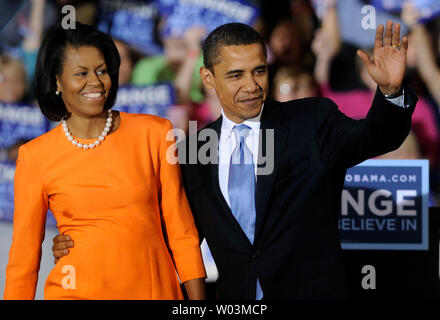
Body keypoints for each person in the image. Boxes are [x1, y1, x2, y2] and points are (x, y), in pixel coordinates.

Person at [53, 21, 417, 299]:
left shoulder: (311, 120)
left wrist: (390, 94)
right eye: (236, 75)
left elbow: (374, 138)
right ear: (208, 79)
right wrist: (84, 244)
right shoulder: (193, 151)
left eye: (259, 70)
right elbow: (170, 236)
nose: (252, 85)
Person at [4, 22, 206, 300]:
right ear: (56, 82)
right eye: (81, 73)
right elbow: (23, 259)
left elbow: (181, 230)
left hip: (153, 291)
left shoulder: (155, 132)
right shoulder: (35, 156)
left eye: (101, 70)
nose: (96, 82)